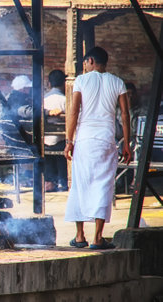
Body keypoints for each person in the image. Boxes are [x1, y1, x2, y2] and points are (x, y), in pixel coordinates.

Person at [64, 46, 132, 249]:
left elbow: (74, 112)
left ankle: (79, 236)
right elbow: (125, 115)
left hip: (84, 141)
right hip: (105, 141)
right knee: (103, 186)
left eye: (85, 63)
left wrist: (69, 141)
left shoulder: (81, 80)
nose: (84, 66)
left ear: (91, 61)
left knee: (80, 185)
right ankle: (98, 238)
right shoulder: (117, 82)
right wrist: (127, 144)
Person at [43, 69, 67, 192]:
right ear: (64, 84)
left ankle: (49, 183)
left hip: (45, 144)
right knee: (65, 142)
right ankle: (64, 182)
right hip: (61, 145)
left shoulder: (43, 99)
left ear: (49, 83)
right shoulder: (65, 100)